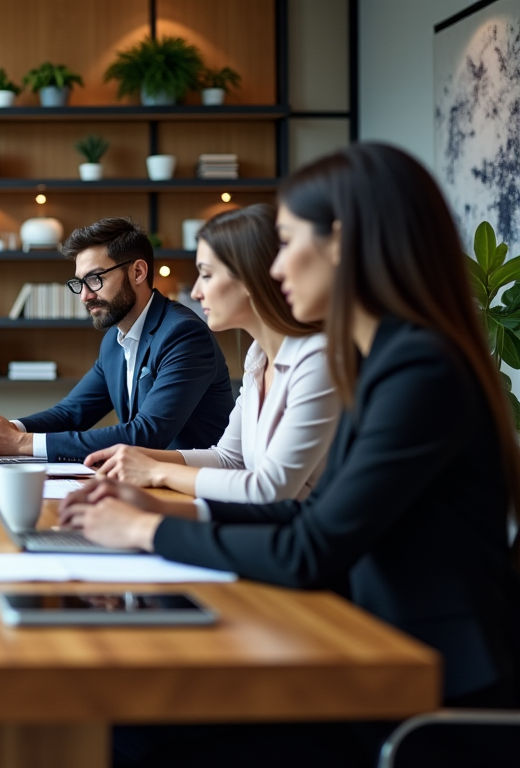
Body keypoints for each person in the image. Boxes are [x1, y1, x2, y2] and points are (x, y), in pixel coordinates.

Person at [60, 144, 520, 766]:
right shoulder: (386, 360)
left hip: (419, 692)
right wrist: (150, 514)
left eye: (287, 242)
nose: (275, 271)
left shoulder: (419, 370)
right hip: (371, 652)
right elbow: (308, 518)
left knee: (125, 734)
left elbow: (310, 549)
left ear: (346, 242)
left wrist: (146, 528)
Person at [85, 205, 339, 502]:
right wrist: (141, 457)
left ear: (250, 277)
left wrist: (156, 471)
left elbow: (269, 489)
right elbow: (229, 458)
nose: (195, 292)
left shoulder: (317, 359)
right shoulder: (258, 357)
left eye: (206, 275)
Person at [0, 217, 234, 462]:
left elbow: (147, 434)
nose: (84, 296)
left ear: (138, 273)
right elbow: (71, 413)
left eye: (95, 279)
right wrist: (9, 428)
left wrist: (21, 443)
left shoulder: (183, 334)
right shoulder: (114, 340)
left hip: (196, 490)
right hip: (145, 483)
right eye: (79, 283)